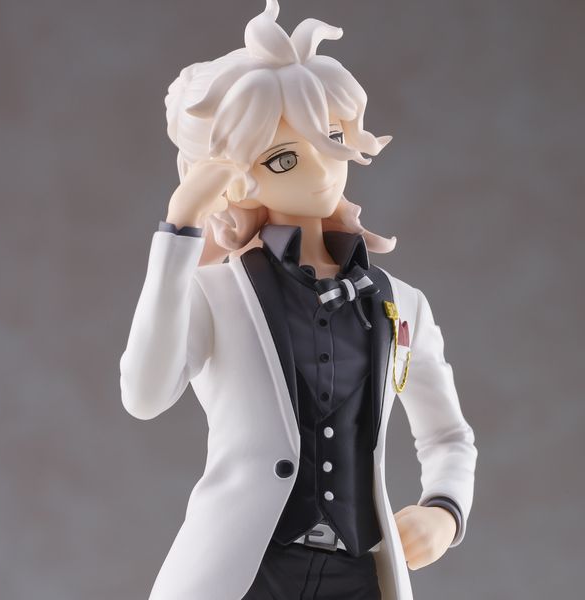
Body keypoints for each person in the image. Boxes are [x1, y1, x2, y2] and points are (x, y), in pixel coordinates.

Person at [119, 2, 477, 599]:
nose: (321, 167)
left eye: (331, 137)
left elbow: (448, 435)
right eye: (283, 157)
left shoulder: (402, 303)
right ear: (235, 177)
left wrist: (444, 509)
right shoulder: (216, 293)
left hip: (357, 572)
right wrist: (180, 230)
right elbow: (145, 395)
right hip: (245, 573)